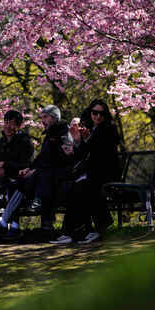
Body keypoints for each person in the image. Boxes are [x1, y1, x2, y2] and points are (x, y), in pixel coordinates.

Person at [54, 99, 121, 245]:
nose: (98, 116)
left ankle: (93, 228)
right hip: (94, 172)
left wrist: (84, 140)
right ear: (90, 113)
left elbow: (100, 153)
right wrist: (78, 141)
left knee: (83, 187)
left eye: (101, 114)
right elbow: (82, 154)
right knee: (75, 188)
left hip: (105, 173)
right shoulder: (92, 129)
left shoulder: (108, 128)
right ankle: (75, 231)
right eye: (95, 113)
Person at [0, 105, 72, 233]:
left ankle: (6, 221)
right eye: (41, 117)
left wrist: (36, 170)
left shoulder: (63, 132)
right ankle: (11, 224)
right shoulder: (50, 134)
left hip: (59, 175)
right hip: (46, 174)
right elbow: (42, 157)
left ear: (54, 117)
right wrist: (29, 169)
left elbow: (63, 156)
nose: (43, 120)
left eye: (45, 117)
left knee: (31, 182)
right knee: (18, 183)